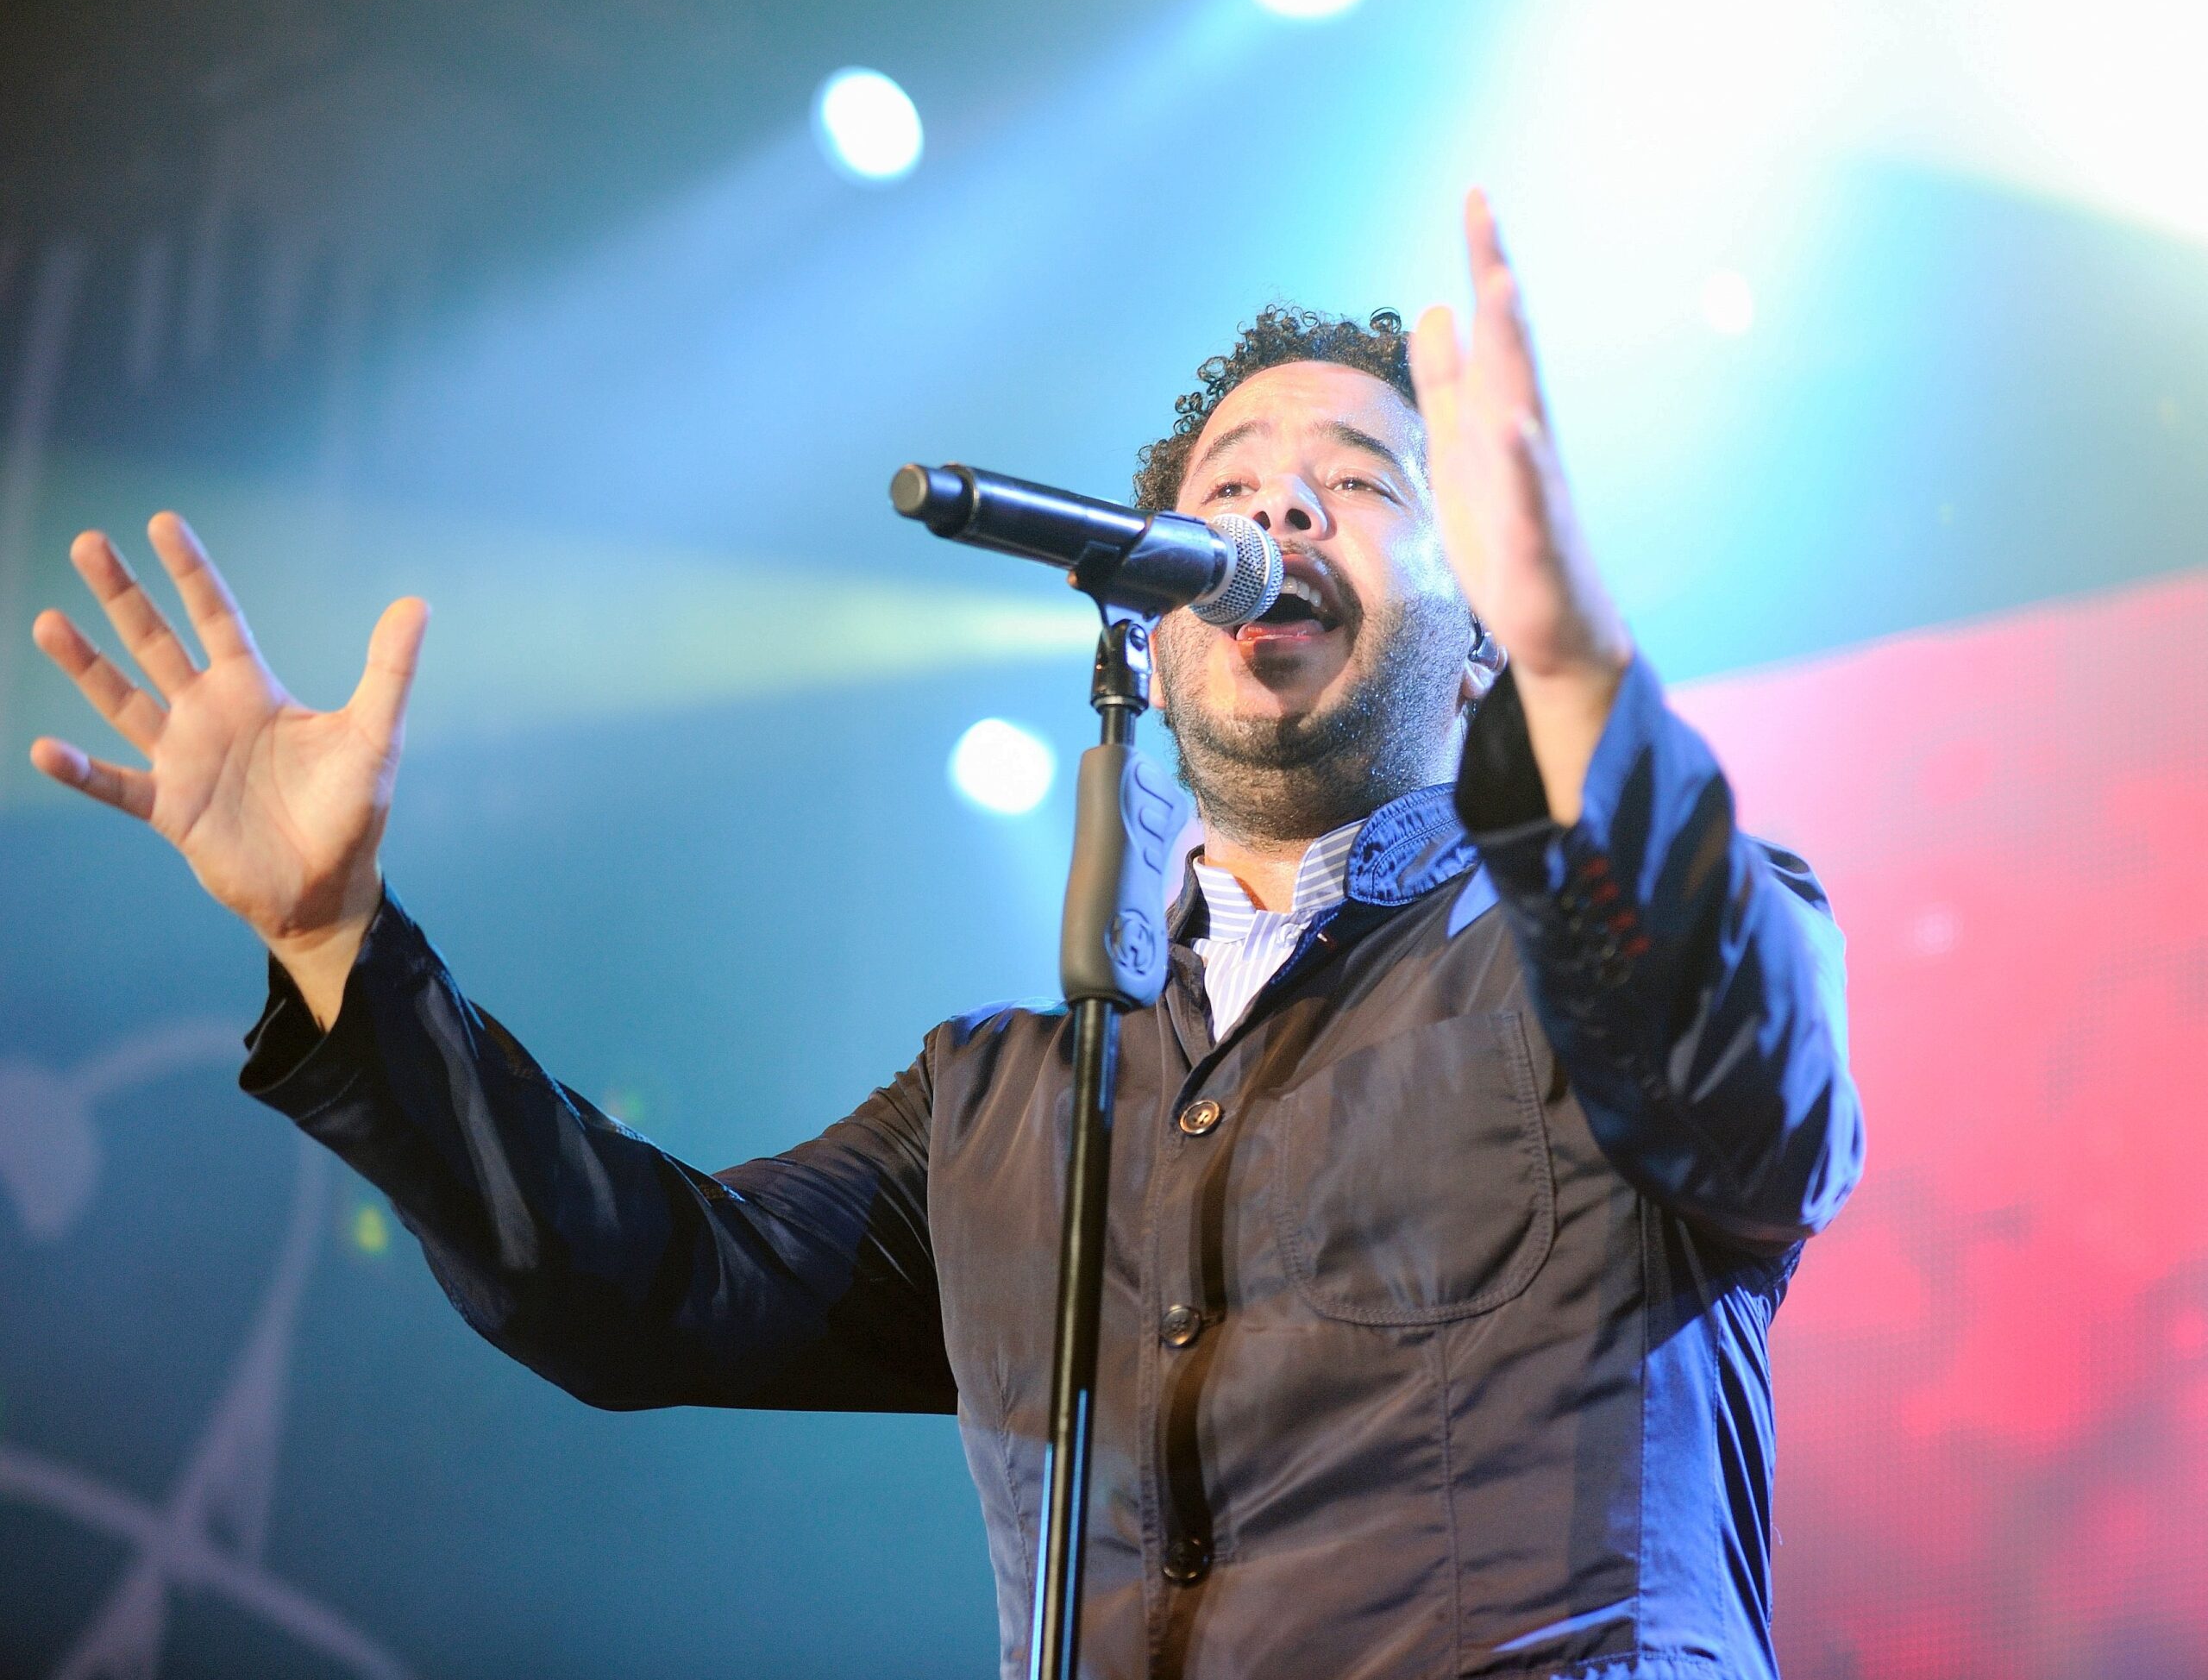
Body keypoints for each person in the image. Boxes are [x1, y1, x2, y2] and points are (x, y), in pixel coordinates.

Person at [28, 193, 1863, 1680]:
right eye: (1225, 483)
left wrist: (1575, 679)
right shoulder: (1006, 1099)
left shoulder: (1626, 959)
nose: (1277, 504)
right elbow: (635, 1286)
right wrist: (343, 937)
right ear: (1153, 619)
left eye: (1365, 483)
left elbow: (1744, 1078)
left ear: (1472, 631)